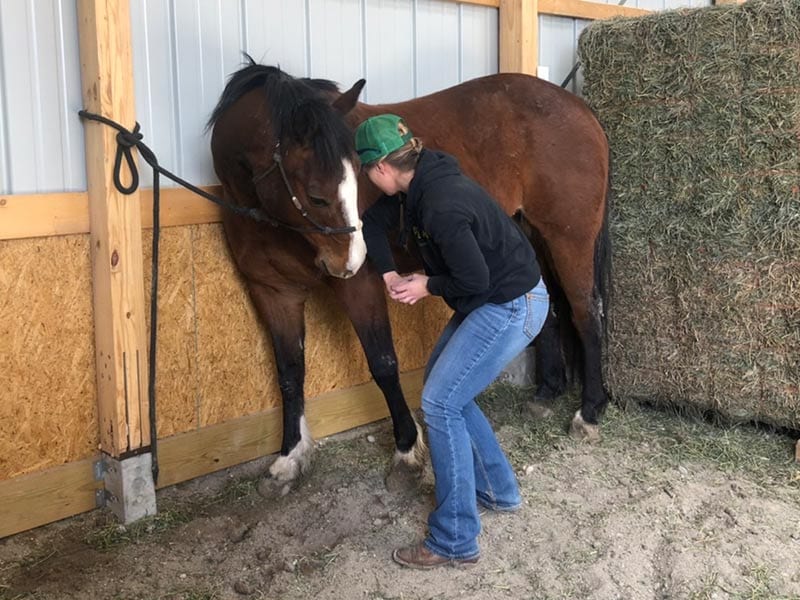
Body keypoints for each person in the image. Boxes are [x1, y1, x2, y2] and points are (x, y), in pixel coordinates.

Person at [354, 114, 549, 569]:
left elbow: (473, 277)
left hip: (510, 303)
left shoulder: (439, 201)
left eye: (366, 170)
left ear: (381, 167)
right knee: (447, 394)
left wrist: (425, 285)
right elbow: (371, 223)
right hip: (489, 299)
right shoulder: (414, 188)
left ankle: (455, 538)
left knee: (441, 402)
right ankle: (497, 489)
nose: (368, 179)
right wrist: (387, 273)